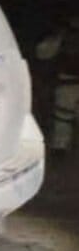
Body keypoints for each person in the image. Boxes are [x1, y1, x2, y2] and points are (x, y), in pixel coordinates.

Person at [35, 17, 79, 154]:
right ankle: (60, 146)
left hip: (67, 82)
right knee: (63, 118)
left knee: (63, 117)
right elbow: (42, 53)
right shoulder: (63, 38)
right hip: (66, 81)